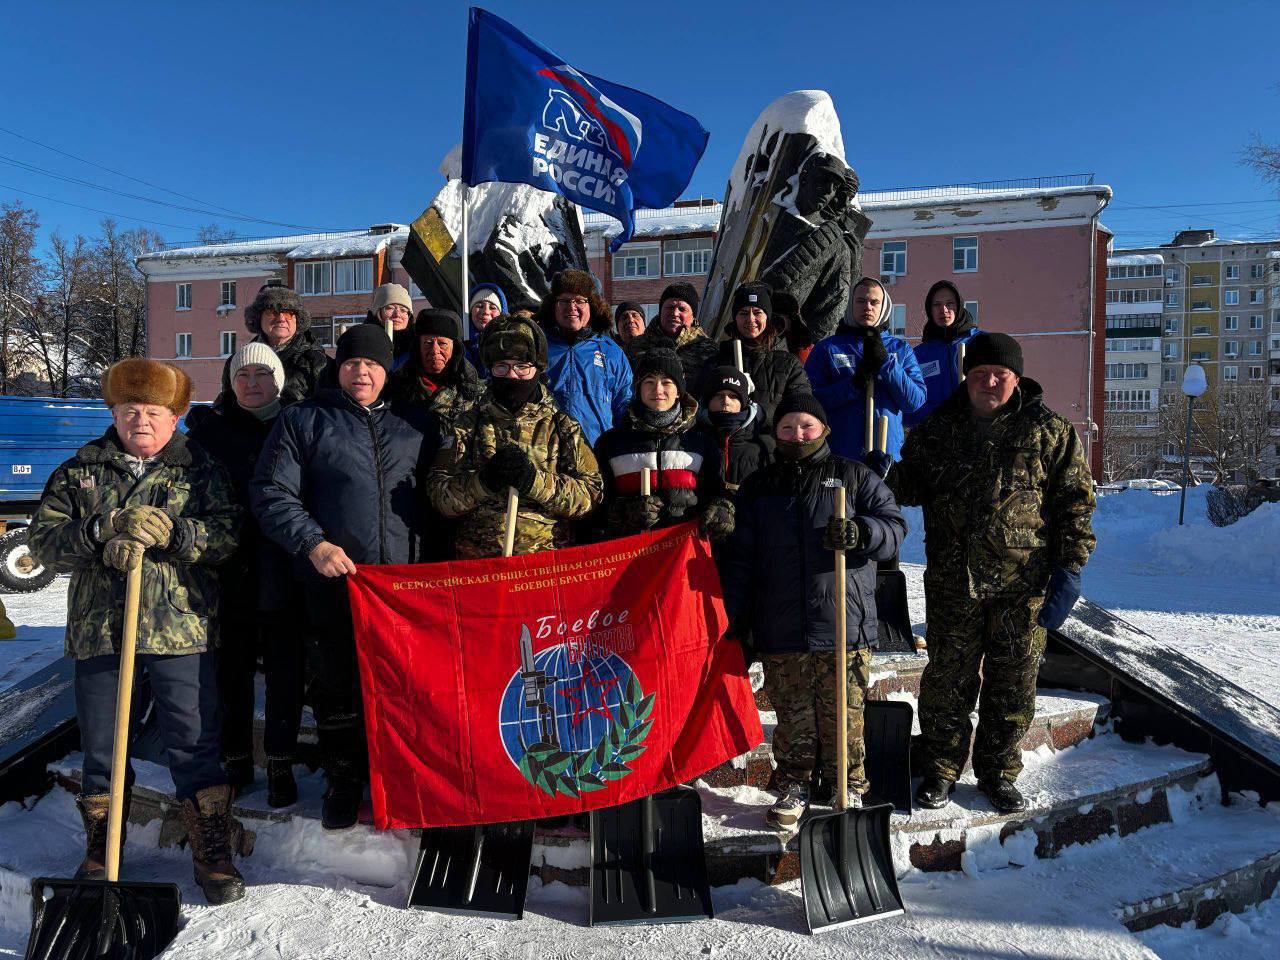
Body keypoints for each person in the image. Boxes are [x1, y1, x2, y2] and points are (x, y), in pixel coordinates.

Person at [28, 358, 245, 904]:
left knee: (195, 744)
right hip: (101, 632)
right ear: (113, 413)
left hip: (181, 632)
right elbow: (43, 544)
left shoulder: (200, 470)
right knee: (102, 748)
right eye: (129, 411)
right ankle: (104, 849)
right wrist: (102, 530)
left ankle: (211, 850)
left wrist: (175, 534)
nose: (140, 421)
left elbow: (228, 536)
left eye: (153, 411)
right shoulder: (81, 471)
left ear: (175, 417)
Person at [880, 333, 1096, 814]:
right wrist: (884, 474)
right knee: (947, 681)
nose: (989, 381)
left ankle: (998, 771)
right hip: (954, 582)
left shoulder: (1050, 430)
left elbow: (1075, 505)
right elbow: (911, 486)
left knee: (1014, 682)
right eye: (980, 373)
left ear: (1016, 378)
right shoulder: (938, 429)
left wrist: (1070, 568)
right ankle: (940, 769)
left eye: (999, 373)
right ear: (967, 376)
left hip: (1024, 585)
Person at [251, 325, 441, 830]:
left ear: (387, 371)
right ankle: (342, 779)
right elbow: (272, 492)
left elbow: (441, 500)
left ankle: (400, 777)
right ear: (339, 367)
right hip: (335, 581)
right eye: (353, 362)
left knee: (405, 689)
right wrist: (313, 543)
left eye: (373, 364)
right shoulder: (305, 420)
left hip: (405, 591)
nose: (362, 371)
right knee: (338, 687)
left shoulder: (416, 425)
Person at [720, 394, 905, 830]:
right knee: (794, 718)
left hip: (844, 623)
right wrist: (736, 618)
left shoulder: (853, 476)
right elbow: (741, 560)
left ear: (822, 429)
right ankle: (795, 783)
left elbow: (895, 528)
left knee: (844, 715)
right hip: (781, 625)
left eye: (805, 425)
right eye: (786, 427)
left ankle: (850, 785)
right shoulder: (760, 487)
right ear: (775, 433)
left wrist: (862, 532)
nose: (796, 434)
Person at [187, 343, 305, 808]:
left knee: (285, 671)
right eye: (242, 375)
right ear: (229, 382)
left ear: (278, 378)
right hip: (229, 570)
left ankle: (280, 762)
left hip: (285, 567)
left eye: (262, 373)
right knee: (229, 671)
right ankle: (235, 759)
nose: (252, 383)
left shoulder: (298, 424)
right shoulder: (211, 433)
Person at [426, 315, 603, 559]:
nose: (512, 376)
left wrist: (534, 481)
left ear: (537, 369)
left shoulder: (562, 426)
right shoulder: (467, 424)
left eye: (522, 367)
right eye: (502, 367)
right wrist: (484, 482)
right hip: (480, 567)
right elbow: (439, 496)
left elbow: (590, 495)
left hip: (543, 567)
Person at [594, 348, 735, 541]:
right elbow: (596, 507)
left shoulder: (701, 442)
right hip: (628, 556)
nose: (658, 390)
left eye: (667, 382)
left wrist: (720, 510)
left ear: (679, 391)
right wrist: (625, 512)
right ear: (639, 389)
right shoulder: (611, 443)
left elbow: (716, 494)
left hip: (681, 555)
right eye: (649, 382)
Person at [805, 277, 925, 461]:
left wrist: (886, 363)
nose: (867, 307)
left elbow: (914, 402)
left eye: (874, 302)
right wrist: (853, 385)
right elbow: (810, 402)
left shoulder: (900, 349)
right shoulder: (828, 349)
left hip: (887, 456)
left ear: (883, 307)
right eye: (861, 301)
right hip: (841, 456)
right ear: (850, 305)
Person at [695, 282, 811, 431]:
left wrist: (760, 414)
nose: (750, 319)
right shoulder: (716, 362)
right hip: (727, 447)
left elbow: (801, 407)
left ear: (767, 317)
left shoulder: (788, 364)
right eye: (743, 313)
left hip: (770, 449)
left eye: (757, 312)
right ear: (735, 318)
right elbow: (699, 406)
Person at [538, 269, 633, 447]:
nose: (571, 307)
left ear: (592, 306)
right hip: (546, 453)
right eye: (564, 301)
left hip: (597, 452)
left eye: (579, 301)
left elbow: (624, 405)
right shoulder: (538, 346)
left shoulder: (611, 352)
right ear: (553, 305)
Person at [217, 284, 334, 408]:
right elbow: (226, 406)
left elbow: (329, 417)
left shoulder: (319, 363)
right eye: (273, 311)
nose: (281, 319)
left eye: (289, 312)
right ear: (258, 317)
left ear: (298, 319)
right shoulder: (239, 361)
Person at [389, 307, 484, 426]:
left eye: (442, 343)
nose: (435, 350)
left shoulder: (475, 391)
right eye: (428, 343)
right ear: (418, 347)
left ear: (455, 348)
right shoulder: (395, 387)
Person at [904, 281, 981, 427]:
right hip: (934, 436)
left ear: (959, 306)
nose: (943, 310)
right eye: (936, 305)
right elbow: (911, 402)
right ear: (929, 310)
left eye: (950, 303)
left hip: (974, 431)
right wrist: (933, 420)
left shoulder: (980, 342)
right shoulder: (918, 355)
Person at [696, 366, 773, 493]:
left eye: (733, 396)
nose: (725, 401)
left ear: (743, 403)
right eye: (718, 395)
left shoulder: (765, 446)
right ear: (707, 401)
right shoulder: (692, 439)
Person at [625, 282, 718, 386]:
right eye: (670, 307)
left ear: (693, 316)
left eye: (682, 309)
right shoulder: (635, 346)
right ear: (660, 312)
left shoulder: (709, 349)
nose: (675, 313)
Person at [361, 282, 415, 370]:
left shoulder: (419, 344)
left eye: (403, 310)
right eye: (390, 308)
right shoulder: (363, 341)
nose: (397, 314)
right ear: (378, 312)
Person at [463, 282, 508, 378]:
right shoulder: (458, 343)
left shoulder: (510, 344)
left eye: (492, 308)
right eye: (479, 306)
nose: (486, 312)